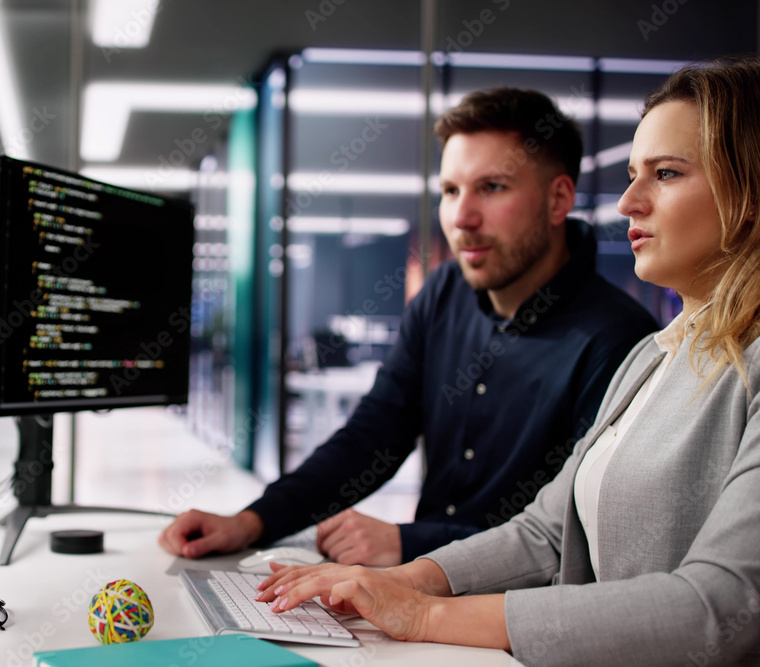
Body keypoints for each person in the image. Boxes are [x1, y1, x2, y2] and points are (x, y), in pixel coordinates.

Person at [256, 57, 760, 666]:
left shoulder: (630, 340)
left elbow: (726, 604)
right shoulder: (653, 359)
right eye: (632, 174)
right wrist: (406, 580)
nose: (628, 201)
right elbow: (548, 530)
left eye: (667, 173)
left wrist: (427, 613)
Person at [159, 88, 658, 566]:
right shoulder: (443, 295)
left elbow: (571, 531)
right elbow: (373, 436)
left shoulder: (617, 339)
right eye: (449, 190)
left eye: (492, 187)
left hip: (518, 623)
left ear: (558, 199)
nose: (461, 216)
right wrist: (252, 521)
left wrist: (407, 543)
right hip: (418, 589)